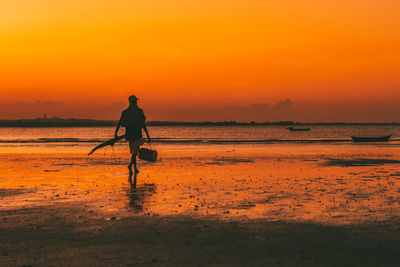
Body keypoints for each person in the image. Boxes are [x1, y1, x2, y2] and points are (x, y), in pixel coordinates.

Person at [115, 95, 151, 176]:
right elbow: (143, 124)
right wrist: (148, 136)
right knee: (134, 153)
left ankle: (131, 167)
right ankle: (133, 168)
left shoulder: (125, 112)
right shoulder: (139, 111)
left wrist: (115, 133)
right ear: (134, 102)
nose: (136, 103)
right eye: (136, 101)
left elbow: (120, 123)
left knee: (134, 152)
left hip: (129, 135)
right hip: (137, 135)